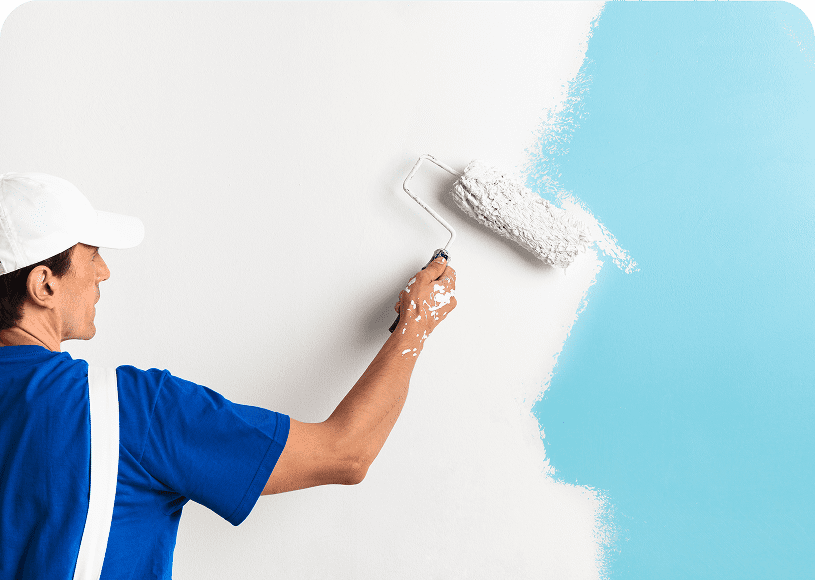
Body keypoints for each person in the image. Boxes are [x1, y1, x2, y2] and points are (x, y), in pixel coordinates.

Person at [0, 172, 456, 579]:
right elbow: (345, 453)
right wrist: (415, 324)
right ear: (44, 284)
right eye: (92, 254)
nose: (104, 271)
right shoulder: (131, 412)